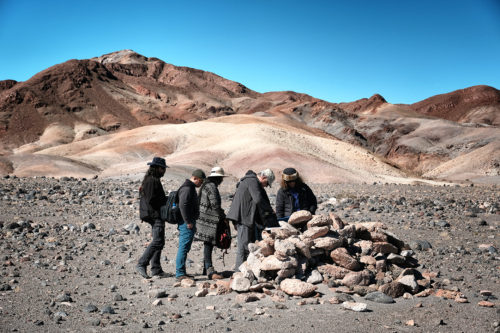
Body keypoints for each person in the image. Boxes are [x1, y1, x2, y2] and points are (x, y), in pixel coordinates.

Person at [227, 169, 278, 272]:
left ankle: (243, 270)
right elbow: (258, 199)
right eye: (266, 183)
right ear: (263, 177)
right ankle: (239, 272)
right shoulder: (253, 181)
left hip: (244, 217)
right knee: (243, 246)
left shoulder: (250, 181)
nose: (265, 186)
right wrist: (269, 210)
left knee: (246, 245)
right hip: (243, 218)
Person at [136, 157, 168, 279]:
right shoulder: (151, 181)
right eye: (162, 168)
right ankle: (142, 263)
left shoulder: (152, 179)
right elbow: (151, 199)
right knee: (158, 241)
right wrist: (165, 201)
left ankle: (156, 269)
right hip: (154, 214)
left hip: (154, 214)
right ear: (157, 168)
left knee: (160, 241)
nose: (164, 171)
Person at [194, 166, 227, 280]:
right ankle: (209, 270)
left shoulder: (206, 185)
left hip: (203, 220)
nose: (222, 180)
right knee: (208, 244)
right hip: (209, 221)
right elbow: (215, 205)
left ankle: (205, 268)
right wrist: (223, 215)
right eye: (221, 178)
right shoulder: (211, 187)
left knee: (207, 244)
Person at [175, 169, 206, 280]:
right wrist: (188, 221)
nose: (201, 183)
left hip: (187, 222)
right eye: (201, 181)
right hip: (186, 223)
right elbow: (183, 205)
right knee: (183, 247)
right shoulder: (188, 188)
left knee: (185, 247)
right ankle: (180, 273)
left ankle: (181, 272)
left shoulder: (189, 187)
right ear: (195, 178)